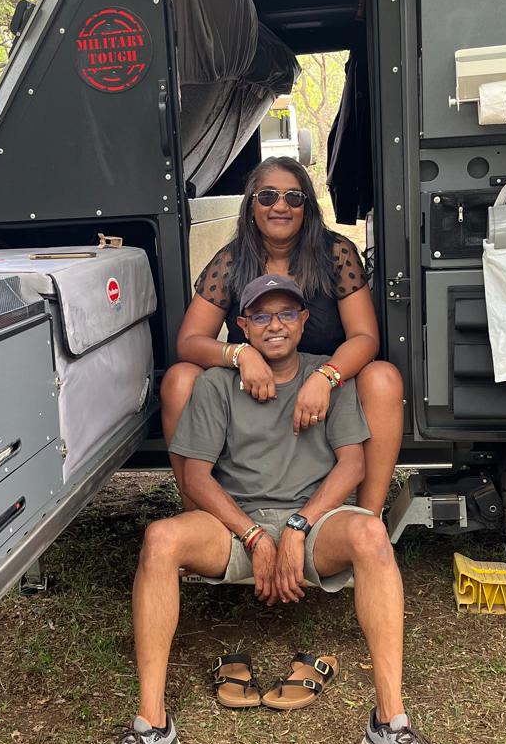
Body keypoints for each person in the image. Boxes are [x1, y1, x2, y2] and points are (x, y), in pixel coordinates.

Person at [80, 275, 454, 744]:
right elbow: (196, 477)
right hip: (236, 525)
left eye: (286, 314)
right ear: (242, 326)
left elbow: (352, 465)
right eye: (260, 315)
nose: (274, 325)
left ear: (304, 321)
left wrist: (299, 527)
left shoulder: (327, 378)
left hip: (314, 522)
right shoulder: (216, 384)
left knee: (371, 534)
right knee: (160, 538)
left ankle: (390, 725)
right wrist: (253, 535)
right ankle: (152, 730)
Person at [161, 156, 403, 516]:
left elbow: (365, 337)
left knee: (383, 378)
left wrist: (325, 376)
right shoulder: (230, 261)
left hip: (323, 385)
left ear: (307, 207)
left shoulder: (335, 254)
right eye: (267, 196)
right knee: (179, 380)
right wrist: (241, 355)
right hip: (251, 388)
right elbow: (190, 341)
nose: (280, 206)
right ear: (251, 206)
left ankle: (368, 523)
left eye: (293, 197)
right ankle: (202, 522)